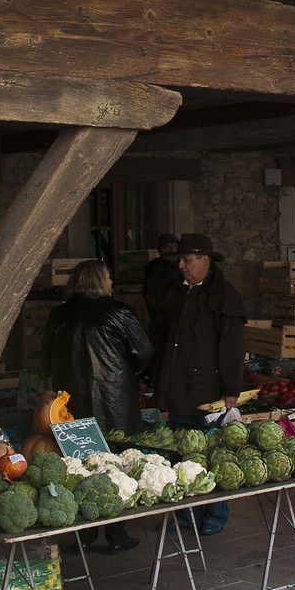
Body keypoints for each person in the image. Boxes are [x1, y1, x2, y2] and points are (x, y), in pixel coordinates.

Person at [42, 259, 153, 553]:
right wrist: (129, 372)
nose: (112, 283)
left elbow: (45, 358)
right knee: (118, 463)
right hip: (115, 402)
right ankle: (117, 532)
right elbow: (144, 352)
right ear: (99, 281)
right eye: (108, 277)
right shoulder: (119, 312)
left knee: (77, 464)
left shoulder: (58, 315)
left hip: (70, 404)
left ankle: (84, 532)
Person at [156, 232, 247, 535]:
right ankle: (184, 514)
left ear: (206, 261)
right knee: (182, 454)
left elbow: (232, 346)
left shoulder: (225, 296)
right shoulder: (173, 293)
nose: (181, 264)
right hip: (178, 386)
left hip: (209, 391)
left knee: (211, 454)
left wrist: (231, 389)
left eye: (188, 259)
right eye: (180, 259)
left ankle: (214, 516)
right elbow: (165, 340)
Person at [142, 232, 182, 347]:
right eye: (167, 247)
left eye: (174, 246)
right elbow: (154, 299)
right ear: (160, 251)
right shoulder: (154, 271)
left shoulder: (182, 267)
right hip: (162, 324)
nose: (172, 250)